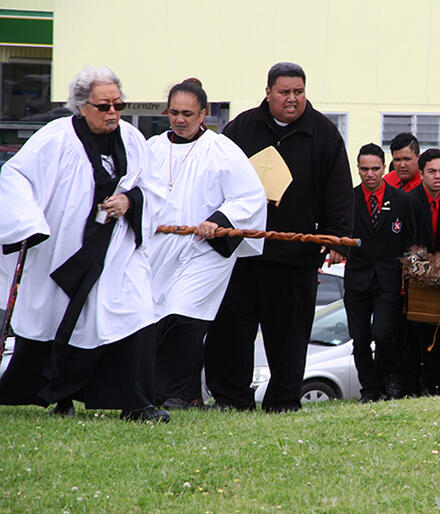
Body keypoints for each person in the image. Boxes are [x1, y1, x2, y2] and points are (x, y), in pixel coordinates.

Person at [0, 66, 168, 421]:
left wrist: (129, 201)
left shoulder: (133, 138)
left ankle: (138, 404)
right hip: (64, 251)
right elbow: (14, 175)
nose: (113, 114)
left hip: (118, 248)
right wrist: (28, 222)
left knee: (138, 313)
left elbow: (152, 187)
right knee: (62, 323)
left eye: (118, 105)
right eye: (103, 106)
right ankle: (60, 398)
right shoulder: (54, 138)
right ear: (81, 106)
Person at [203, 62, 353, 413]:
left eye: (298, 92)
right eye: (284, 92)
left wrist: (336, 238)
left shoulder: (325, 134)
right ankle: (231, 399)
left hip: (295, 257)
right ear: (268, 91)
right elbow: (213, 181)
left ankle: (283, 401)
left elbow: (339, 192)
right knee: (233, 331)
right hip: (243, 254)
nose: (292, 99)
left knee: (289, 337)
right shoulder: (241, 129)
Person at [147, 78, 266, 410]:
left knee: (184, 315)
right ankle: (163, 392)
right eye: (174, 113)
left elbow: (249, 197)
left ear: (204, 114)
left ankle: (179, 393)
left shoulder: (221, 150)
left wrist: (220, 221)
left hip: (204, 250)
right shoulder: (152, 148)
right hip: (160, 249)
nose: (180, 120)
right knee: (157, 318)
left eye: (188, 113)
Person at [344, 143, 415, 401]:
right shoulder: (348, 199)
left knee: (383, 333)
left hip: (388, 280)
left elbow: (410, 242)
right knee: (360, 339)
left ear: (385, 168)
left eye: (375, 168)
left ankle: (391, 379)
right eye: (364, 169)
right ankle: (370, 390)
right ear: (358, 169)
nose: (370, 174)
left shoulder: (402, 200)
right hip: (357, 279)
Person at [406, 148, 440, 395]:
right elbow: (408, 247)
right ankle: (414, 387)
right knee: (414, 338)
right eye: (432, 171)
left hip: (439, 285)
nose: (438, 176)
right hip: (414, 283)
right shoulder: (409, 202)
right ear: (421, 173)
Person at [384, 133, 440, 199]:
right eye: (397, 160)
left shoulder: (434, 187)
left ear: (418, 157)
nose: (402, 165)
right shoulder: (387, 181)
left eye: (407, 159)